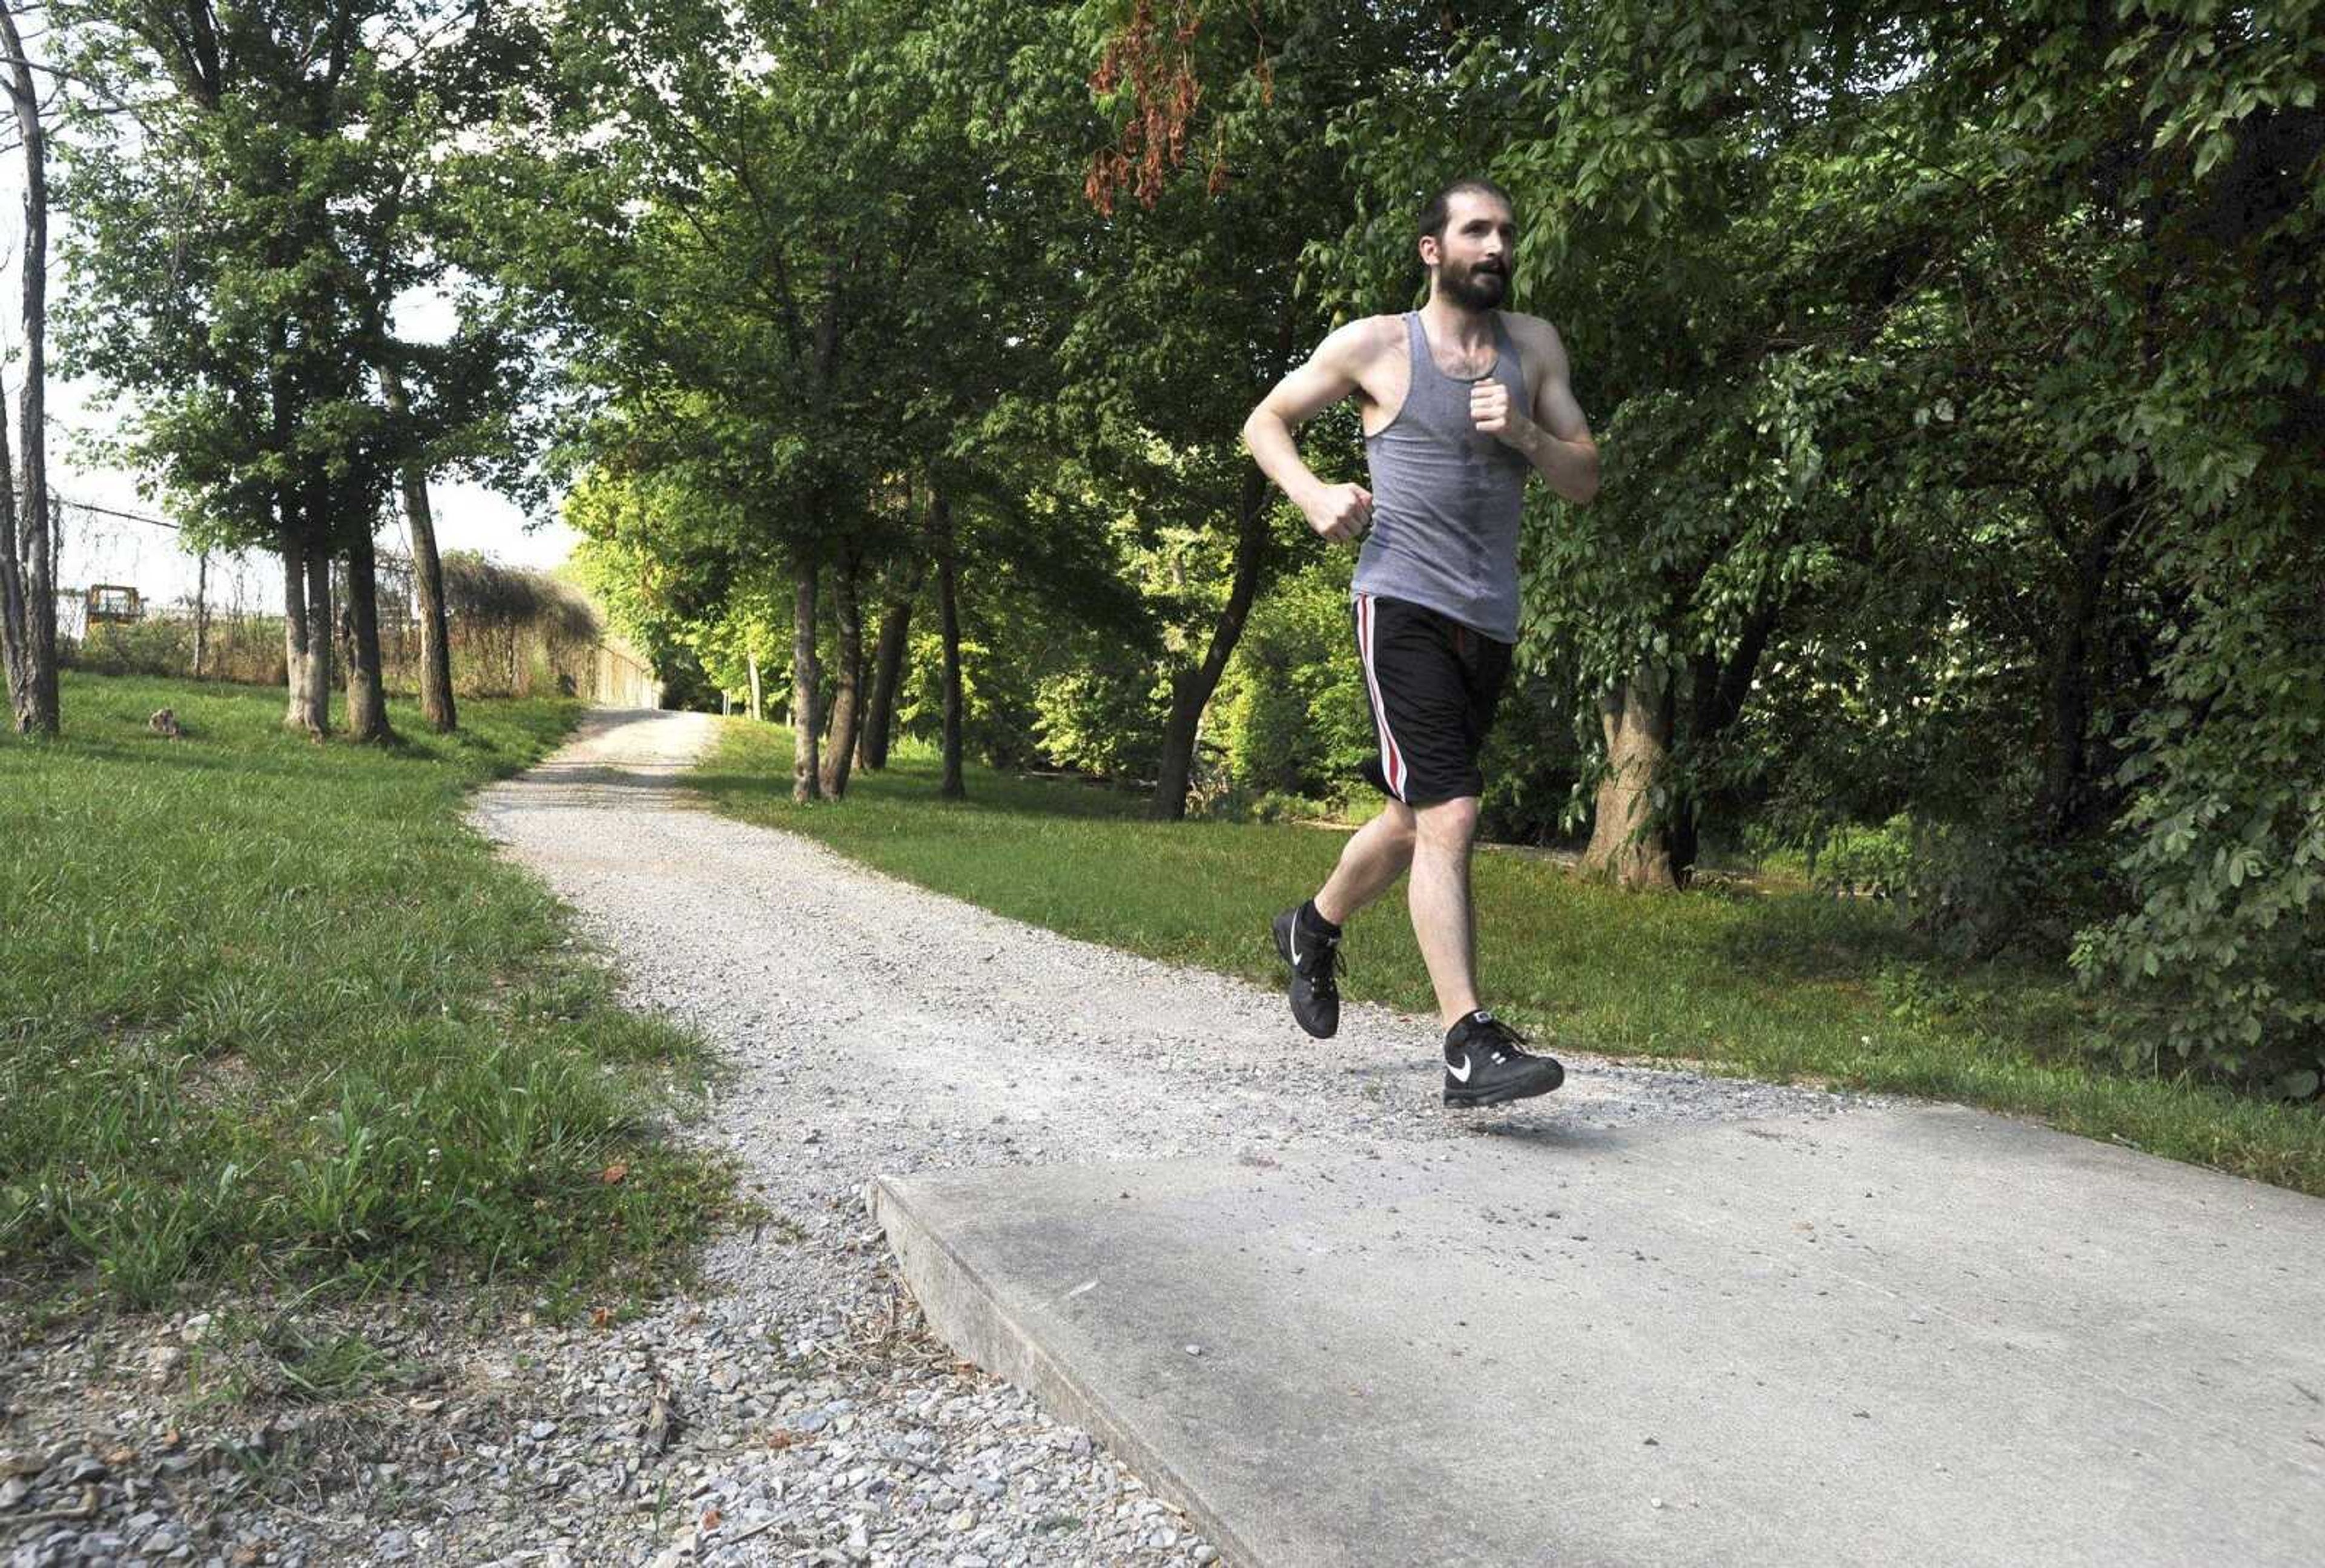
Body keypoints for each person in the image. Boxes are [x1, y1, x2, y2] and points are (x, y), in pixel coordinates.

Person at [1241, 177, 1600, 1109]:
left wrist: (1523, 431)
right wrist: (1316, 496)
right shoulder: (1376, 344)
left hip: (1491, 620)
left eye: (1506, 233)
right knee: (1451, 815)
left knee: (1412, 820)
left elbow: (1586, 477)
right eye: (1475, 230)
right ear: (1433, 250)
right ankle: (1467, 1040)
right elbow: (1264, 422)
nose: (1496, 246)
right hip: (1398, 601)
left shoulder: (1536, 348)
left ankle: (1311, 927)